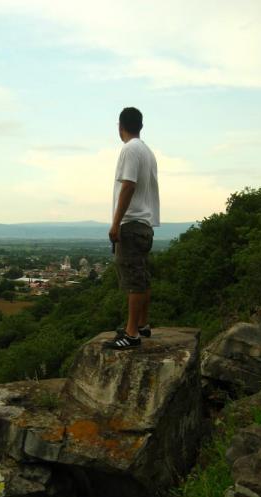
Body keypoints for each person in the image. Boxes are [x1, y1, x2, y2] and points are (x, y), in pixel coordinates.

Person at [104, 107, 160, 350]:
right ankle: (142, 324)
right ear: (140, 125)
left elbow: (128, 186)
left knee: (133, 280)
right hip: (145, 224)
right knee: (143, 277)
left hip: (132, 223)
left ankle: (131, 334)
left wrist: (116, 222)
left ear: (120, 126)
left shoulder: (129, 149)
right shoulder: (147, 152)